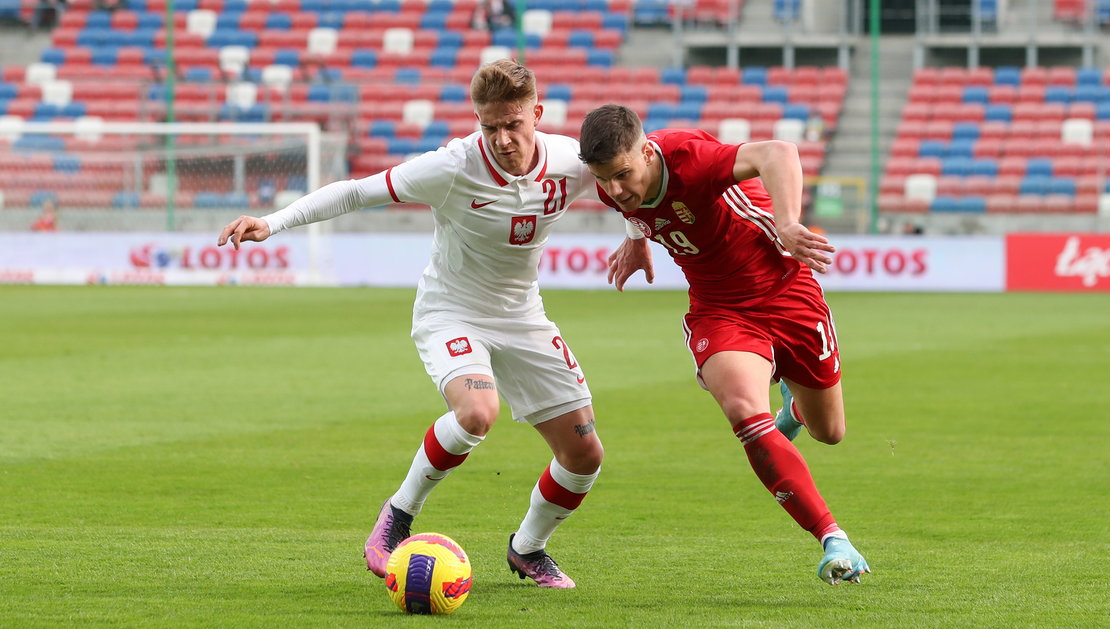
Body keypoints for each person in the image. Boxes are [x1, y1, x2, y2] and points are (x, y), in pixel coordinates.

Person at [217, 60, 606, 589]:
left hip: (523, 315)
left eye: (514, 123)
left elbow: (629, 169)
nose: (502, 138)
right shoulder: (451, 166)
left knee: (584, 454)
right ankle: (397, 516)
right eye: (489, 126)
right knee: (476, 411)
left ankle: (528, 549)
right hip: (453, 309)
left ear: (536, 113)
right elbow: (357, 191)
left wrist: (633, 231)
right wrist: (273, 222)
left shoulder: (569, 159)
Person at [578, 104, 870, 585]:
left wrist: (789, 222)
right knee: (742, 410)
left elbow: (778, 152)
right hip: (720, 309)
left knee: (829, 431)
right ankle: (833, 538)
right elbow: (630, 200)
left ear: (648, 152)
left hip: (786, 289)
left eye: (623, 175)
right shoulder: (614, 182)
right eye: (604, 180)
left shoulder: (692, 161)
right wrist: (636, 237)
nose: (614, 190)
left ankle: (795, 410)